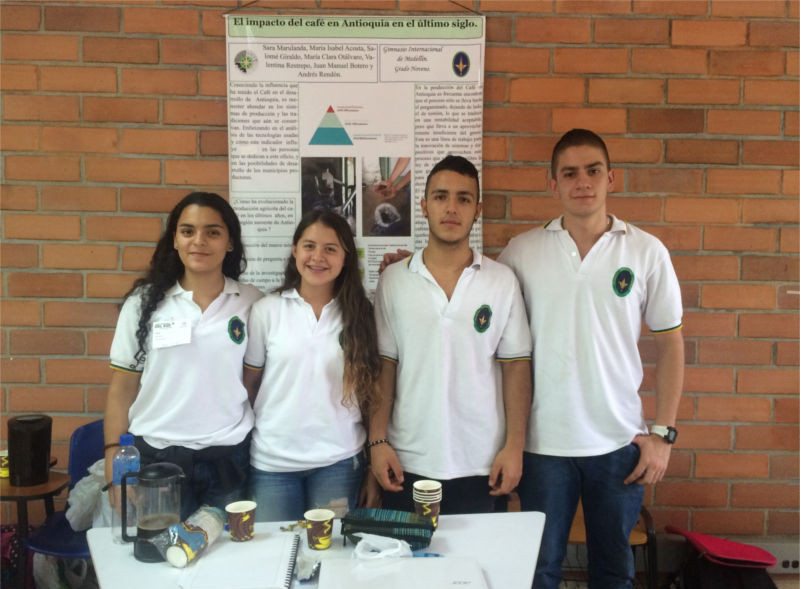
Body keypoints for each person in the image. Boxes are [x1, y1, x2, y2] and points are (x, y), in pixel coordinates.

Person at [498, 129, 685, 588]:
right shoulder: (521, 252)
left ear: (611, 178)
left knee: (613, 570)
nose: (582, 182)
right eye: (569, 173)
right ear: (553, 184)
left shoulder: (645, 251)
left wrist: (662, 434)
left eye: (593, 171)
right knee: (538, 569)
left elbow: (671, 343)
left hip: (618, 443)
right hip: (542, 446)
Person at [368, 155, 532, 514]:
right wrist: (377, 441)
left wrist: (514, 446)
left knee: (474, 568)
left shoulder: (501, 280)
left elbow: (516, 367)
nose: (451, 208)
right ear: (424, 206)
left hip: (481, 461)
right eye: (441, 197)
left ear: (478, 209)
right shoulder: (394, 280)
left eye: (464, 198)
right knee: (408, 567)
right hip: (408, 458)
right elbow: (385, 366)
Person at [104, 192, 263, 519]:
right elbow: (122, 389)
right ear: (174, 240)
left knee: (226, 563)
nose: (199, 241)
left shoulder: (252, 302)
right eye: (188, 231)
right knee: (161, 562)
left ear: (230, 242)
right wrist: (113, 460)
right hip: (157, 461)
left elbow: (257, 379)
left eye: (213, 232)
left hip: (229, 459)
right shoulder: (144, 303)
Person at [243, 210, 381, 522]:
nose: (318, 257)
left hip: (340, 462)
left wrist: (372, 464)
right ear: (294, 251)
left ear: (346, 257)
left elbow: (372, 395)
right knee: (275, 559)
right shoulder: (266, 311)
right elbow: (250, 386)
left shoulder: (361, 314)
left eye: (330, 249)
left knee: (333, 557)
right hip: (272, 464)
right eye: (309, 246)